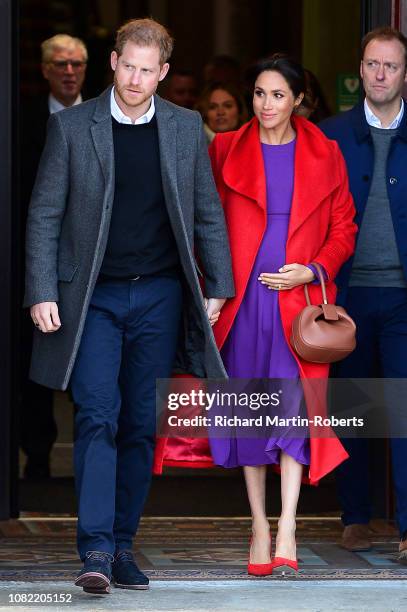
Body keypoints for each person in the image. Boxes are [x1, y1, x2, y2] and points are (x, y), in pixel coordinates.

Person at [24, 17, 234, 594]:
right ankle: (92, 549)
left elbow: (205, 209)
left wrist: (218, 282)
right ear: (113, 62)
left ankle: (121, 545)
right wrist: (42, 289)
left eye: (149, 70)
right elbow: (45, 214)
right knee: (96, 415)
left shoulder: (185, 127)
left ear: (163, 73)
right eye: (129, 66)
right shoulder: (72, 127)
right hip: (93, 296)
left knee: (142, 424)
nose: (136, 79)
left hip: (161, 295)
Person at [208, 54, 356, 575]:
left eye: (277, 95)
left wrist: (311, 271)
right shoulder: (224, 147)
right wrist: (215, 289)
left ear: (297, 100)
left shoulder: (327, 152)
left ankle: (289, 522)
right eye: (259, 94)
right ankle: (258, 524)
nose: (265, 104)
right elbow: (207, 224)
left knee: (294, 410)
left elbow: (344, 229)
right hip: (243, 303)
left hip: (298, 306)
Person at [319, 26, 407, 563]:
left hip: (402, 297)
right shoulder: (330, 135)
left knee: (399, 411)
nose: (378, 75)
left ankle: (405, 525)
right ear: (360, 70)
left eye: (390, 66)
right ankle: (354, 518)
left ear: (404, 74)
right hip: (346, 295)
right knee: (352, 410)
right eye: (371, 65)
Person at [19, 34, 88, 479]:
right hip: (39, 261)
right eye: (60, 64)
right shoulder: (22, 119)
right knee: (36, 367)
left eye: (77, 64)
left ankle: (90, 462)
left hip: (89, 263)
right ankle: (38, 457)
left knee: (92, 372)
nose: (68, 71)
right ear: (45, 69)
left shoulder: (104, 115)